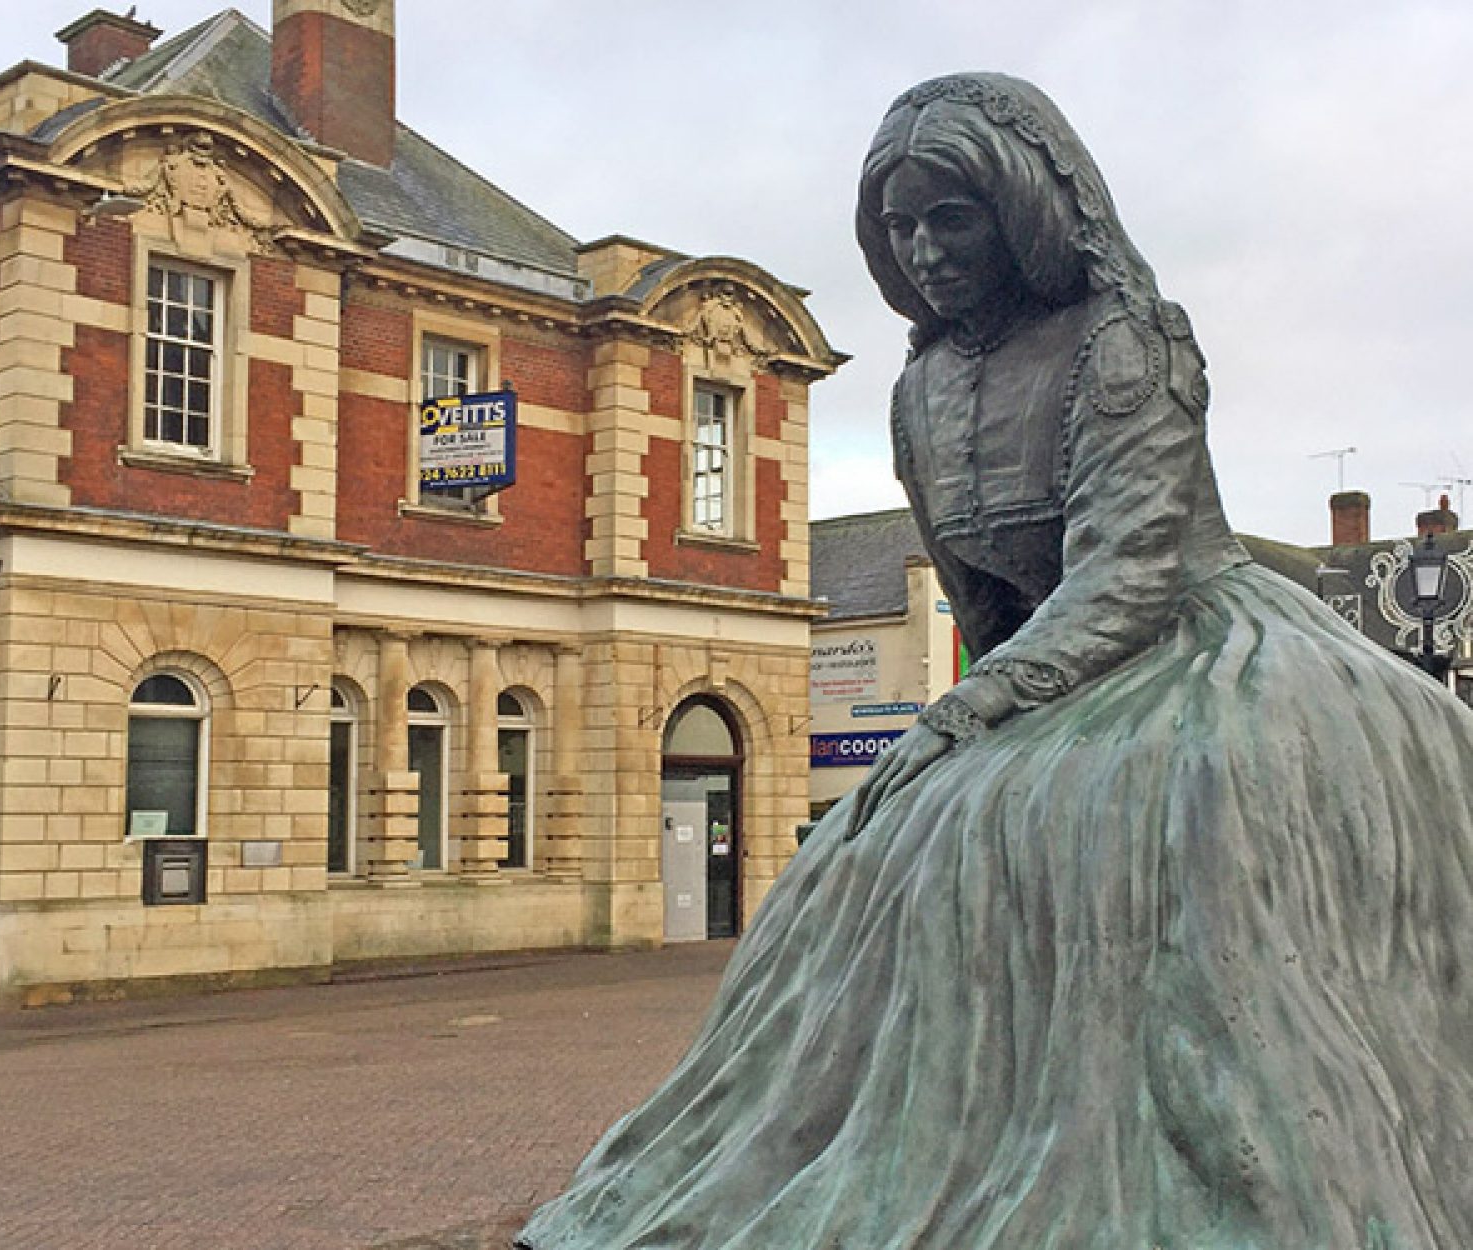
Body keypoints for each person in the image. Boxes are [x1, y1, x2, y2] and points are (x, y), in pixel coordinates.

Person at [518, 73, 1473, 1249]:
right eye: (900, 228)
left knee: (1154, 810)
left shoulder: (1128, 341)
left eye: (950, 219)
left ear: (1022, 209)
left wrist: (981, 711)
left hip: (1189, 633)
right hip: (1056, 667)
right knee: (860, 849)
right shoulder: (919, 388)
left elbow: (1125, 569)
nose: (923, 251)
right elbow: (989, 604)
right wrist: (978, 721)